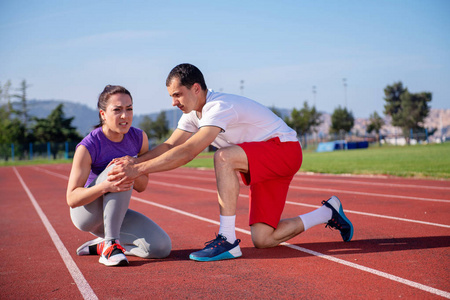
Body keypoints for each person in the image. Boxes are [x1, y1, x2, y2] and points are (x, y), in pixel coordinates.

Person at [108, 64, 353, 262]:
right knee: (264, 239)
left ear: (195, 89)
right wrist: (135, 161)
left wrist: (137, 170)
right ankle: (327, 211)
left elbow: (189, 151)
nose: (174, 102)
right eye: (171, 96)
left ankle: (227, 239)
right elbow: (170, 146)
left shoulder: (217, 107)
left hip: (284, 150)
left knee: (223, 157)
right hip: (263, 159)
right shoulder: (193, 113)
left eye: (177, 95)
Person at [66, 85, 171, 266]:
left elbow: (142, 185)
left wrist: (133, 166)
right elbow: (72, 198)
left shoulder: (139, 138)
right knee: (119, 167)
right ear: (103, 114)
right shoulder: (88, 146)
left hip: (114, 213)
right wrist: (104, 187)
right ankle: (111, 245)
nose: (125, 115)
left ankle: (103, 244)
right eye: (117, 110)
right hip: (86, 214)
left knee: (161, 247)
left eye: (129, 109)